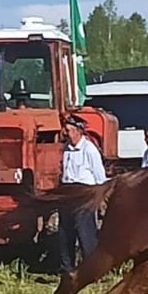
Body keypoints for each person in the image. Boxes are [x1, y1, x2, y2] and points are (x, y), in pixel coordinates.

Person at [56, 115, 106, 274]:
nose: (66, 133)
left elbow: (99, 175)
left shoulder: (89, 149)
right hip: (68, 191)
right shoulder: (66, 149)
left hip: (84, 192)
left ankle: (92, 269)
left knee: (85, 232)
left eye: (70, 130)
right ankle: (67, 268)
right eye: (66, 130)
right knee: (65, 231)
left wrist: (100, 196)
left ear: (78, 131)